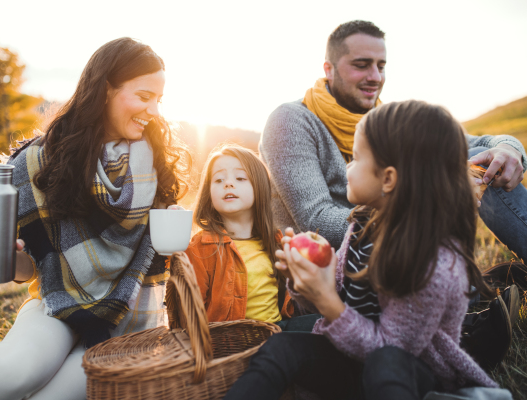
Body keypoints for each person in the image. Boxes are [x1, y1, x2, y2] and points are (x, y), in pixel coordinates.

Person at [0, 38, 190, 400]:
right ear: (105, 91)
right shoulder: (39, 162)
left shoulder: (156, 160)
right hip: (58, 301)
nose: (155, 111)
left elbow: (164, 251)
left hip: (129, 315)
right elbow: (31, 268)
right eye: (144, 97)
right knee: (11, 373)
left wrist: (173, 222)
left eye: (159, 99)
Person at [225, 100, 509, 400]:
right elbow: (341, 291)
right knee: (280, 347)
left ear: (388, 179)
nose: (348, 167)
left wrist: (328, 302)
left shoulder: (434, 264)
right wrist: (302, 279)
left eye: (356, 159)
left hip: (412, 376)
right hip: (350, 358)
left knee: (385, 364)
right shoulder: (364, 224)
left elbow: (389, 349)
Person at [260, 20, 527, 261]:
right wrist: (421, 216)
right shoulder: (291, 120)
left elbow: (470, 143)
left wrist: (508, 148)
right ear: (328, 70)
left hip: (400, 251)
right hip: (329, 268)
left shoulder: (386, 119)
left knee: (483, 158)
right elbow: (316, 223)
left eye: (381, 66)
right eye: (361, 65)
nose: (375, 77)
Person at [182, 144, 320, 332]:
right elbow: (189, 313)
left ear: (260, 188)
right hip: (232, 339)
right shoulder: (200, 248)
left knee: (327, 324)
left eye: (240, 178)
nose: (228, 184)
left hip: (277, 330)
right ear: (209, 193)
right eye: (218, 179)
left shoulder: (275, 240)